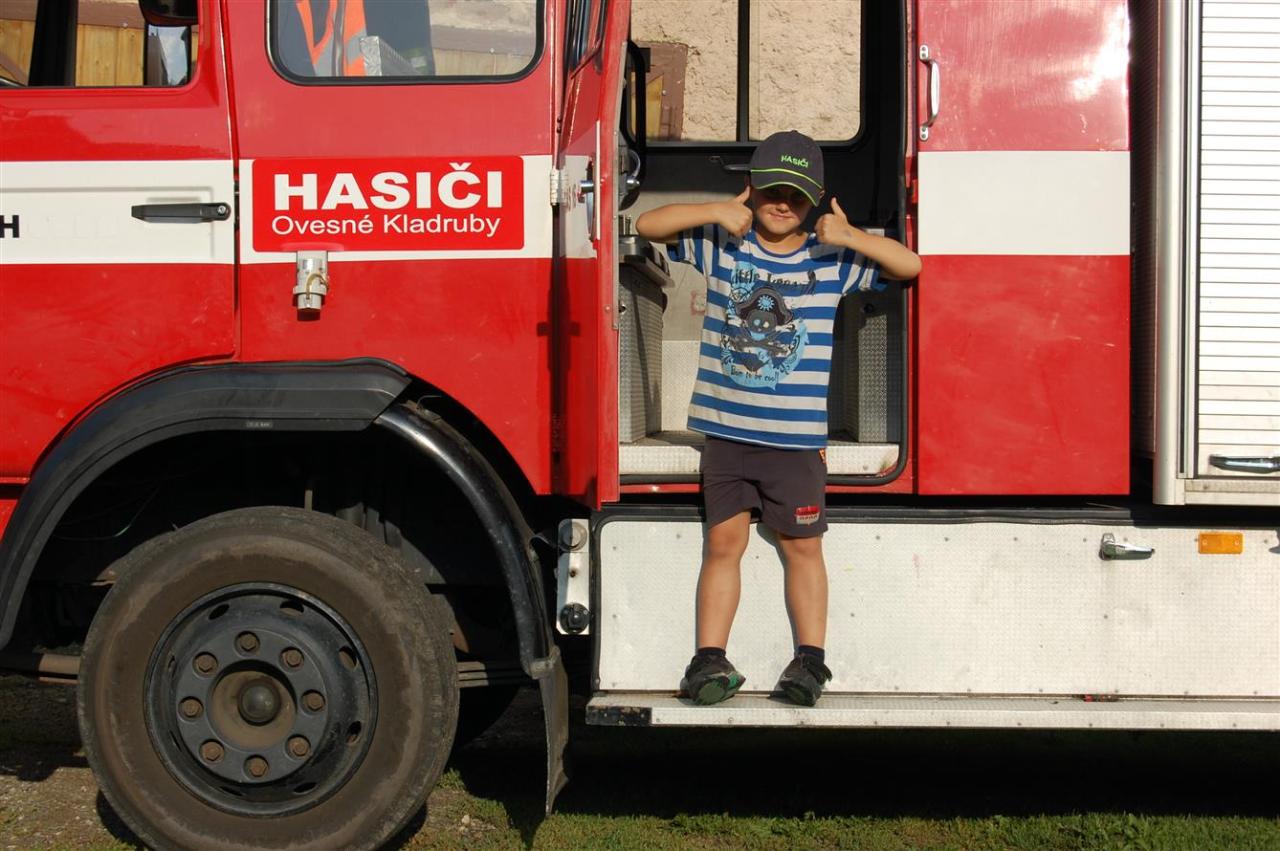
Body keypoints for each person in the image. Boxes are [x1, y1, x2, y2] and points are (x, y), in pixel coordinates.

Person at [634, 130, 922, 706]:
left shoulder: (831, 259)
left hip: (795, 443)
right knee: (723, 544)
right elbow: (648, 225)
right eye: (771, 190)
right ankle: (708, 660)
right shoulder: (723, 245)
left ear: (813, 201)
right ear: (752, 187)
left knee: (802, 547)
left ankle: (810, 662)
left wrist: (851, 236)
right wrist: (716, 210)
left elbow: (909, 266)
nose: (782, 203)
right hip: (726, 435)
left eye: (796, 194)